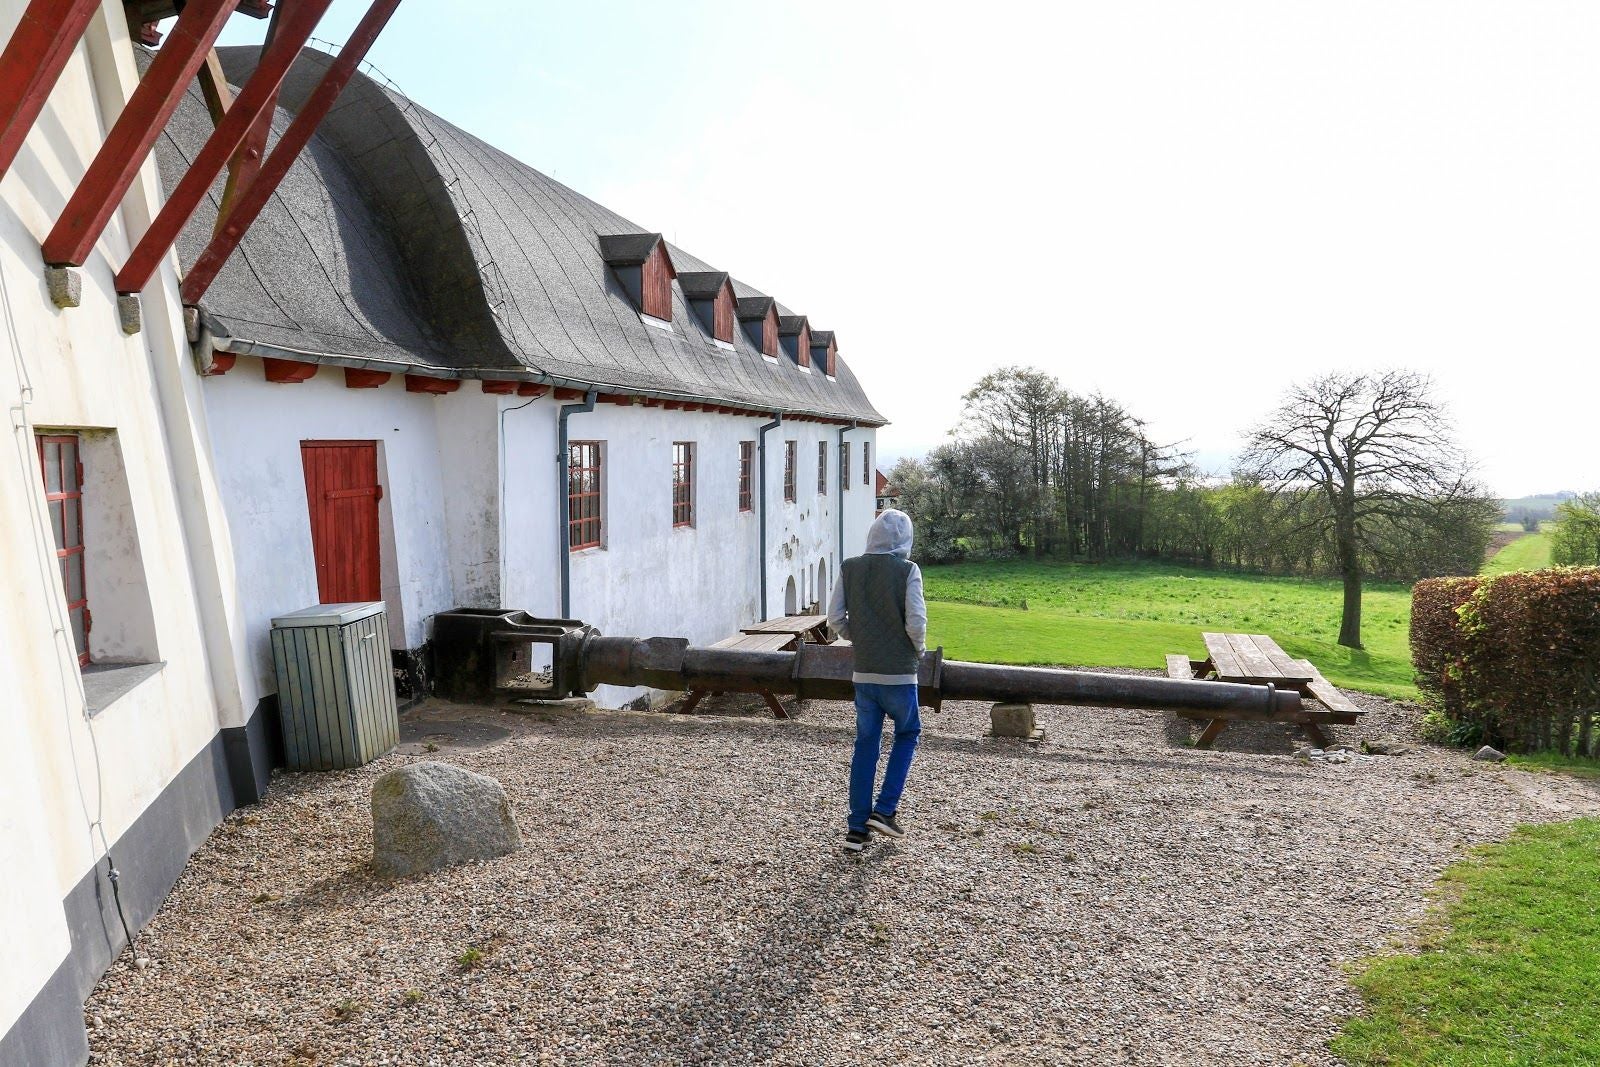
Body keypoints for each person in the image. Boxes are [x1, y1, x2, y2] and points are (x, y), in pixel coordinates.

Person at [826, 508, 928, 852]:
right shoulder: (907, 570)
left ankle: (857, 828)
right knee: (908, 732)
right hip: (899, 673)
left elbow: (835, 618)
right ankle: (884, 811)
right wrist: (919, 649)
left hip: (864, 674)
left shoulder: (849, 567)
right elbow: (915, 621)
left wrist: (861, 637)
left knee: (866, 744)